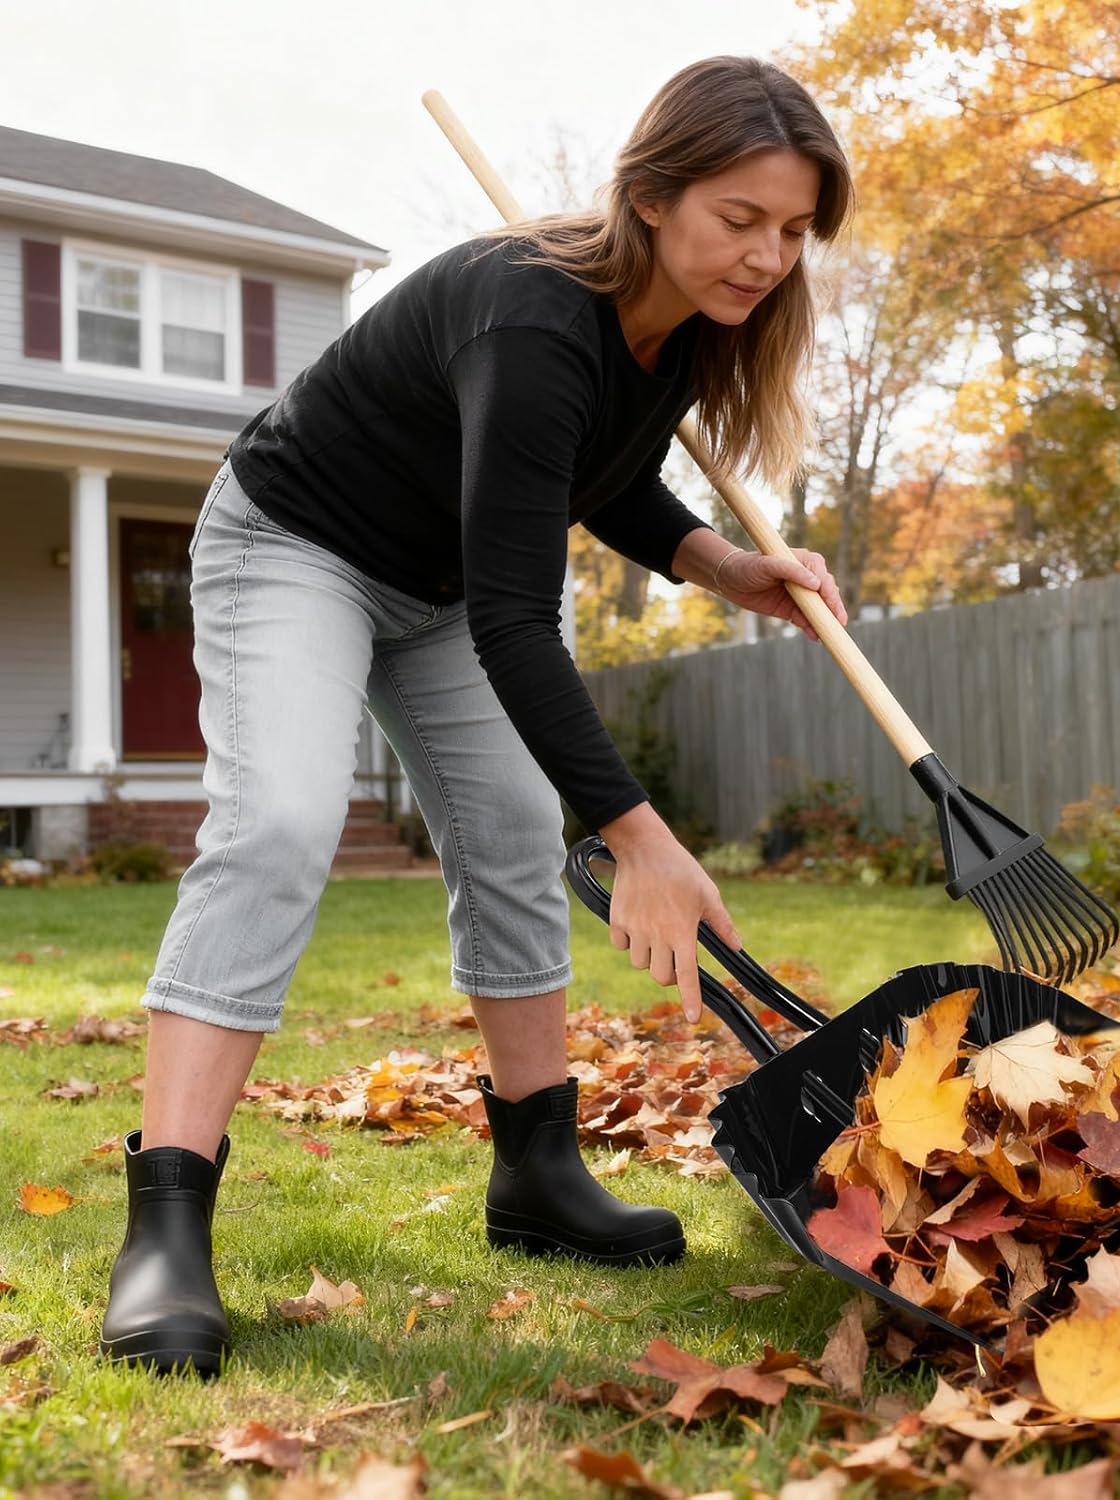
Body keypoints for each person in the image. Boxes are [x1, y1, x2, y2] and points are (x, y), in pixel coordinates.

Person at [98, 55, 854, 1378]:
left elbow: (593, 472)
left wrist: (719, 562)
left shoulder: (687, 328)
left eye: (793, 231)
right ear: (651, 194)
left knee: (507, 826)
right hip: (297, 543)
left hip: (441, 579)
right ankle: (165, 1220)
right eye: (741, 219)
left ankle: (538, 1173)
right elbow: (518, 617)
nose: (768, 259)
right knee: (281, 823)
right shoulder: (531, 315)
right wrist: (637, 835)